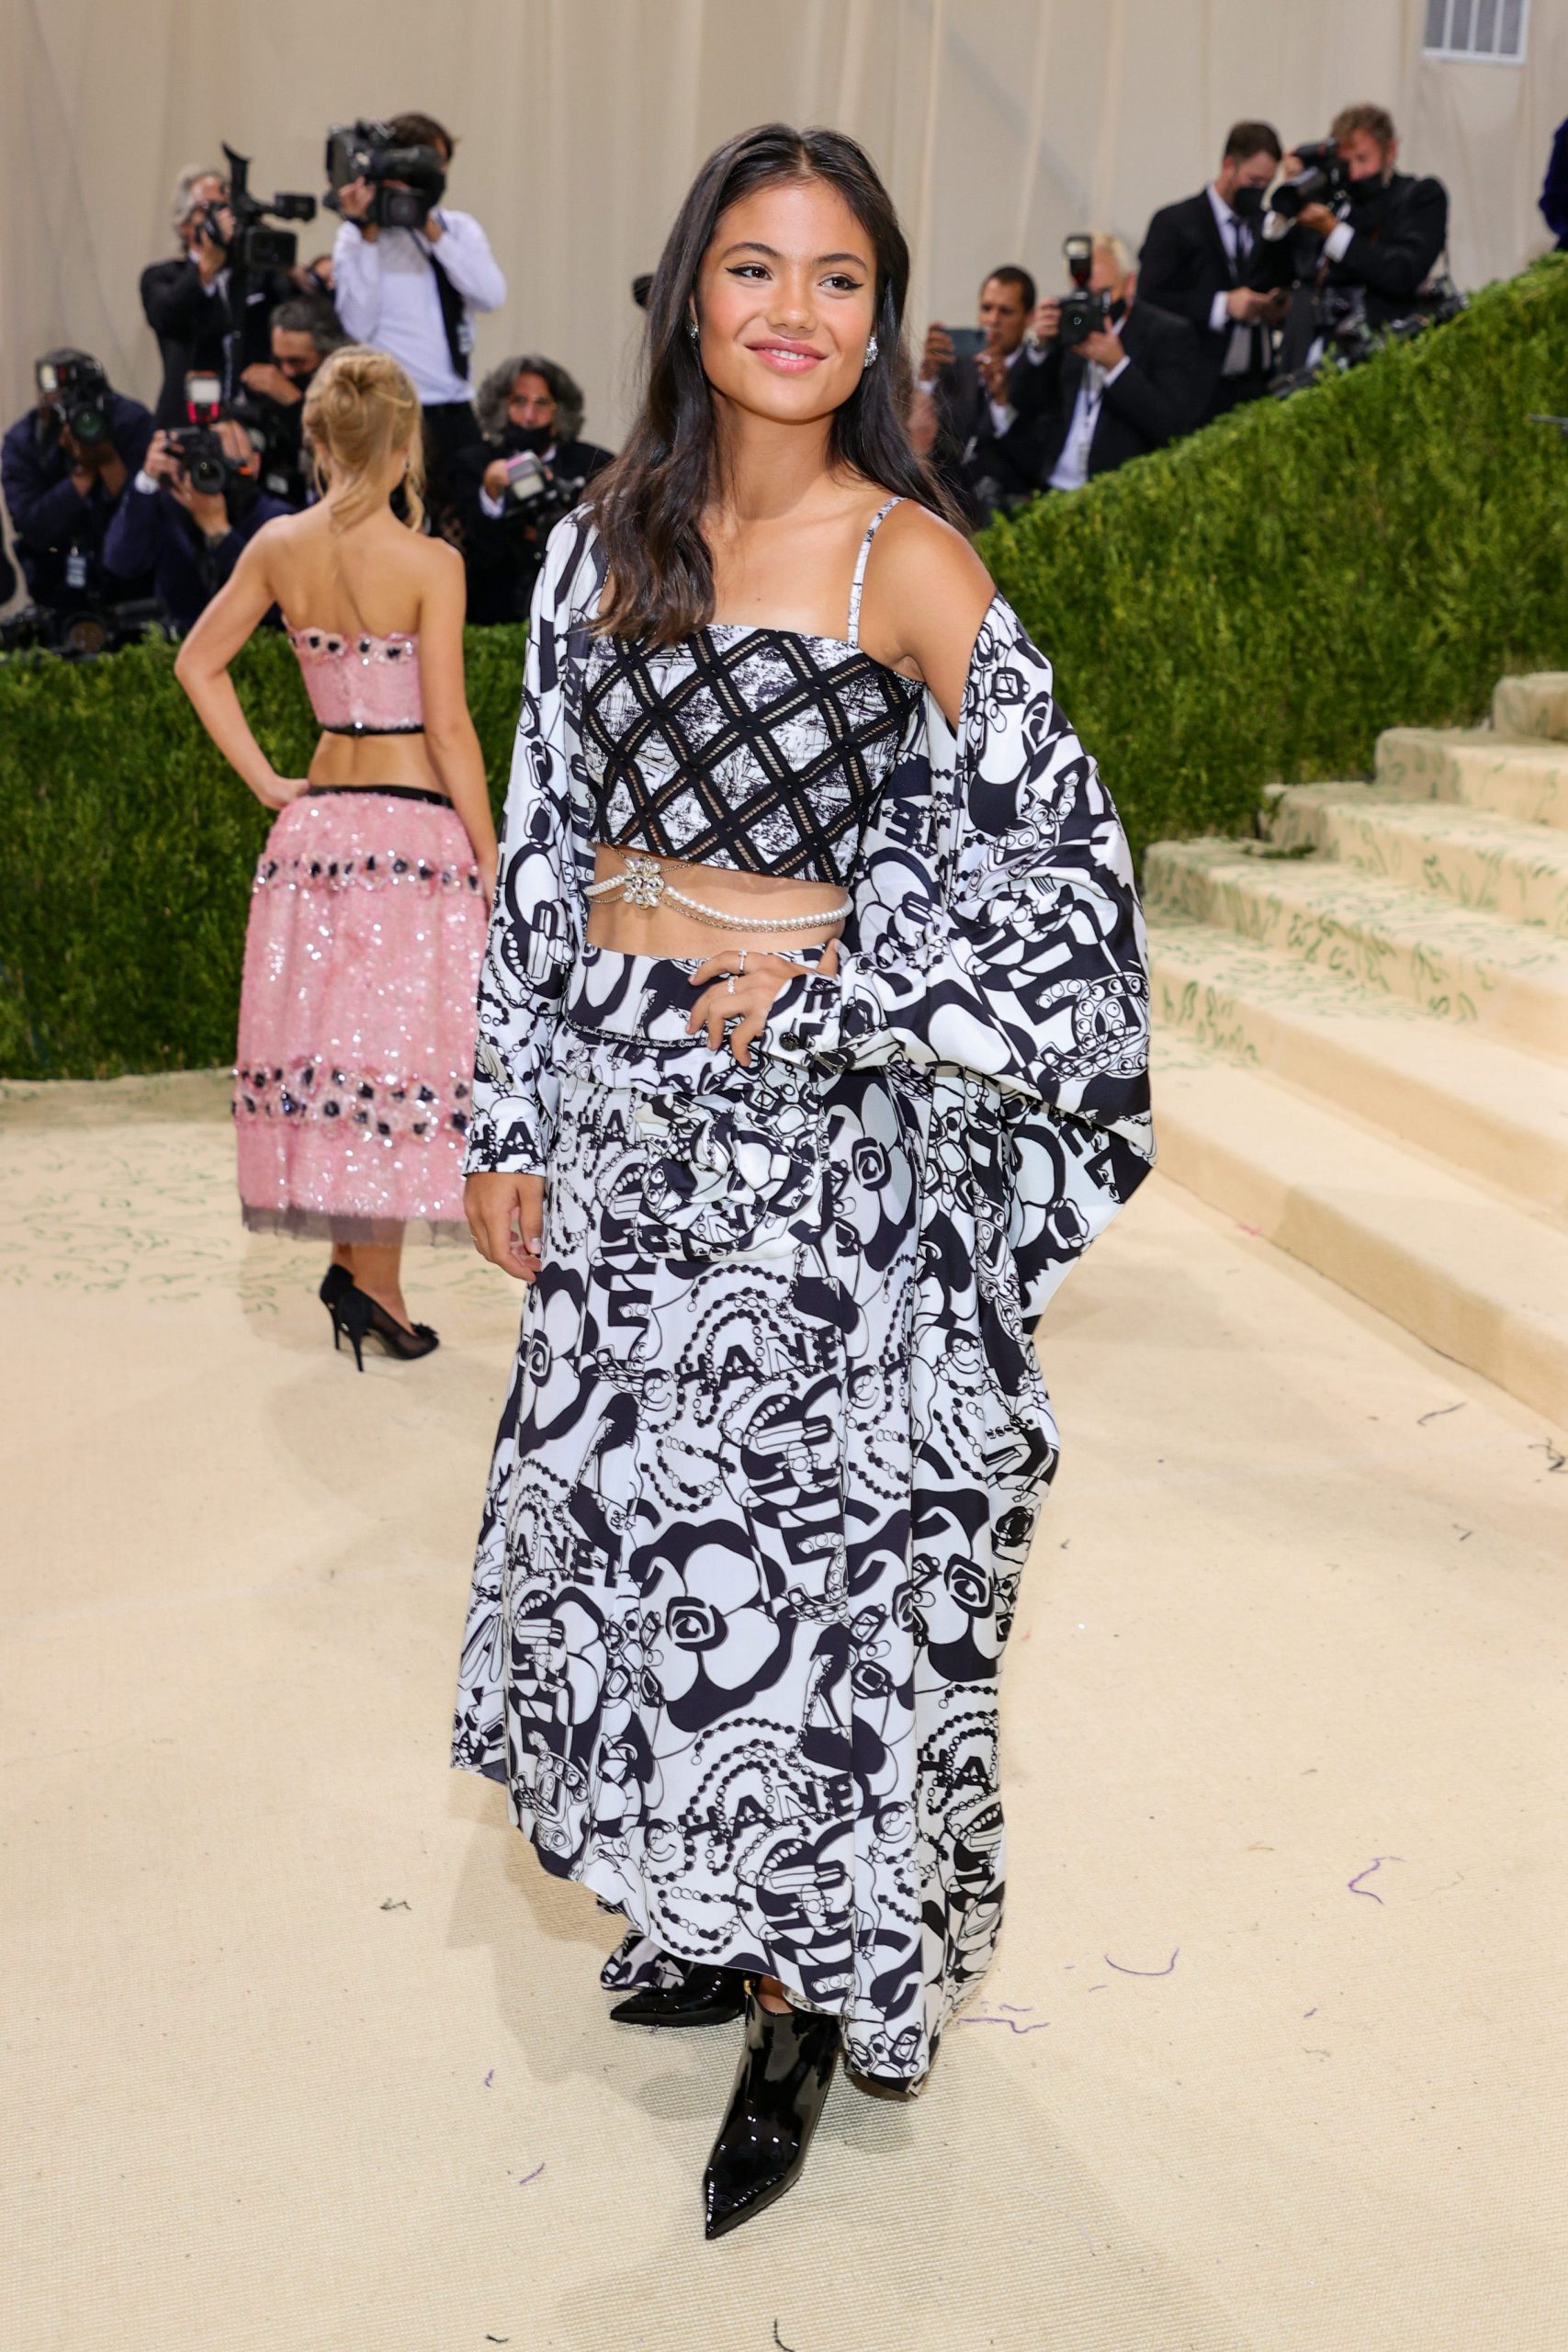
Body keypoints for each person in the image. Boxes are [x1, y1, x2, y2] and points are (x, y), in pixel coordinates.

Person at [451, 122, 1153, 2238]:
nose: (790, 309)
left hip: (811, 1177)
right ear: (686, 295)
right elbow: (542, 838)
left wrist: (858, 987)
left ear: (878, 318)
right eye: (750, 267)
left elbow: (1065, 898)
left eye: (836, 276)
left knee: (803, 1574)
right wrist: (507, 1106)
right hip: (623, 1113)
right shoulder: (595, 542)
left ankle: (797, 1982)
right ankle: (692, 1896)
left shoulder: (905, 562)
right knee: (651, 1534)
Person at [172, 346, 497, 1358]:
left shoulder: (277, 544)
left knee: (342, 1057)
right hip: (410, 836)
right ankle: (377, 1288)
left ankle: (360, 1273)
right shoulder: (430, 564)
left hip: (314, 835)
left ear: (316, 440)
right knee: (398, 1060)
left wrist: (270, 782)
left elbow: (198, 661)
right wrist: (491, 854)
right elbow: (447, 730)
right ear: (405, 447)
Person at [331, 112, 505, 527]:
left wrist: (429, 228)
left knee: (465, 526)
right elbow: (357, 324)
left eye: (440, 165)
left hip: (455, 407)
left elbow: (491, 294)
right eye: (423, 163)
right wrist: (369, 230)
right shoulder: (355, 237)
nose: (434, 175)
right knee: (396, 521)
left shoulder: (457, 229)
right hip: (394, 409)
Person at [1253, 104, 1450, 358]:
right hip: (1301, 356)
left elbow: (1402, 272)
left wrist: (1332, 232)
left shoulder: (1418, 196)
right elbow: (1263, 278)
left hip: (1372, 354)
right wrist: (1286, 209)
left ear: (1390, 150)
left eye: (1363, 159)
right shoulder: (1330, 202)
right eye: (1346, 163)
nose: (1355, 173)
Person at [1138, 121, 1291, 425]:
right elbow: (1151, 299)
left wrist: (1276, 306)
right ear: (1228, 165)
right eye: (1253, 180)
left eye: (1267, 184)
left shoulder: (1266, 225)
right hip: (1198, 387)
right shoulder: (1176, 222)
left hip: (1257, 381)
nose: (1258, 191)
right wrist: (1221, 306)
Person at [1026, 233, 1202, 491]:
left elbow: (1173, 427)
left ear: (1130, 283)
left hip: (1122, 492)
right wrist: (1036, 346)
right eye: (1085, 294)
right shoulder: (1068, 323)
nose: (1095, 306)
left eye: (1105, 294)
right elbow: (1023, 405)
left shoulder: (1167, 334)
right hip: (1054, 486)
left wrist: (1118, 367)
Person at [449, 354, 614, 623]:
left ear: (559, 412)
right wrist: (490, 493)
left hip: (573, 610)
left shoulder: (596, 465)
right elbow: (478, 550)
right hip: (494, 615)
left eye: (541, 403)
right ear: (501, 407)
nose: (529, 415)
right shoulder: (473, 465)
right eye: (519, 401)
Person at [103, 413, 293, 633]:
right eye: (207, 457)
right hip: (178, 645)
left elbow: (279, 604)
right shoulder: (170, 508)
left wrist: (220, 532)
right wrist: (147, 481)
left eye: (227, 457)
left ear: (255, 463)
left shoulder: (276, 518)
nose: (212, 470)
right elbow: (121, 562)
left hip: (256, 648)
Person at [141, 164, 294, 429]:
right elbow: (167, 316)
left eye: (226, 208)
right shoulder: (163, 276)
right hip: (187, 420)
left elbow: (300, 311)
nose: (222, 218)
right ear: (184, 223)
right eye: (208, 209)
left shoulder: (258, 278)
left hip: (254, 422)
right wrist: (206, 265)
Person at [1, 350, 153, 614]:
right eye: (54, 398)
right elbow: (32, 527)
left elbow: (147, 521)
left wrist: (106, 459)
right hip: (55, 584)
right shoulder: (24, 440)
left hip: (134, 587)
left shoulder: (130, 421)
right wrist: (82, 475)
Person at [910, 266, 1051, 524]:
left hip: (1006, 518)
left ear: (1028, 317)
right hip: (945, 508)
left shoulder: (1040, 375)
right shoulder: (955, 364)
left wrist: (1001, 401)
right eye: (987, 308)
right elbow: (922, 438)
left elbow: (1036, 462)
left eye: (1005, 311)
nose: (993, 320)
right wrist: (926, 377)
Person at [240, 297, 349, 510]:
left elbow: (340, 449)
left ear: (327, 353)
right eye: (279, 360)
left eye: (296, 361)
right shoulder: (269, 375)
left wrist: (293, 401)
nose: (286, 371)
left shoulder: (350, 383)